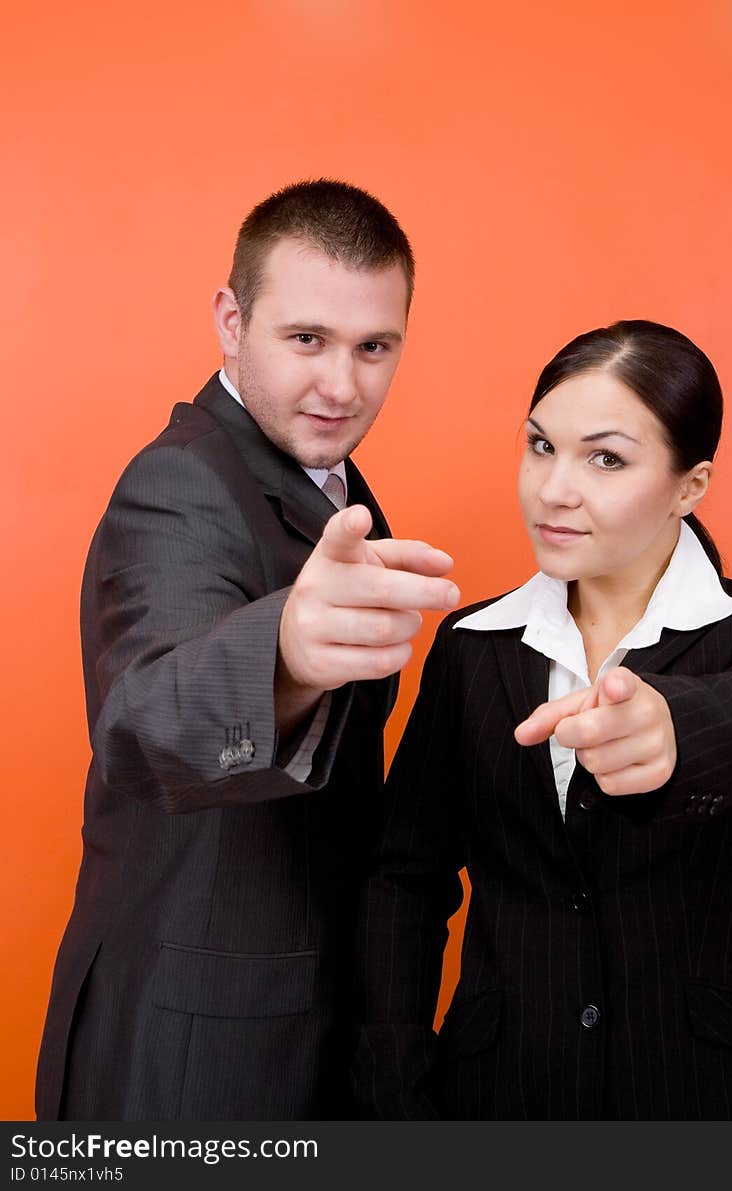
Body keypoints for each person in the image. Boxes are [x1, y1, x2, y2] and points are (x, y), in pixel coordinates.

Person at [34, 178, 460, 1122]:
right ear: (232, 320)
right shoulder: (179, 482)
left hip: (290, 1030)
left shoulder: (326, 482)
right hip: (190, 1057)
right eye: (306, 339)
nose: (342, 385)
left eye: (373, 347)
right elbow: (145, 724)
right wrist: (284, 656)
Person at [352, 319, 732, 1121]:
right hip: (500, 1097)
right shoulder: (472, 648)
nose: (554, 489)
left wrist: (674, 727)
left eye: (605, 458)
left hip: (707, 1099)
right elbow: (403, 883)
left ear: (692, 486)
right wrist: (395, 1097)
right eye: (542, 446)